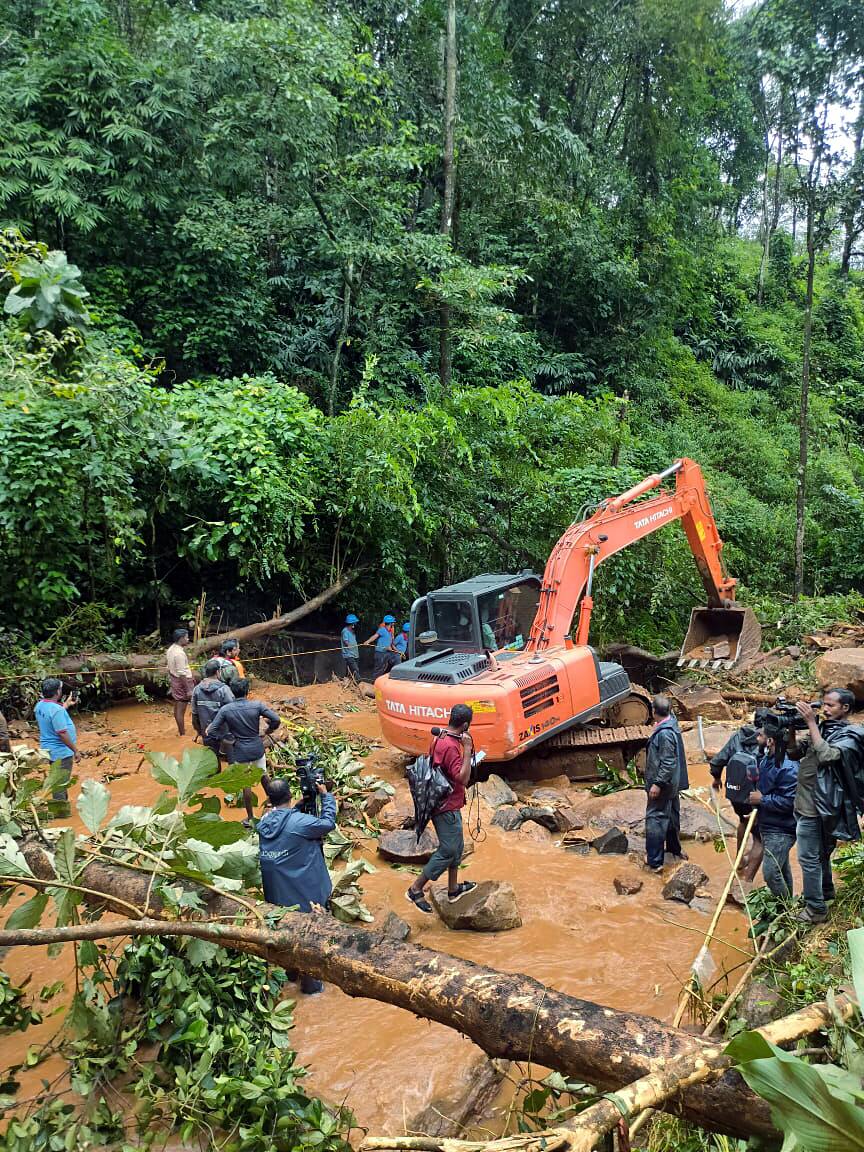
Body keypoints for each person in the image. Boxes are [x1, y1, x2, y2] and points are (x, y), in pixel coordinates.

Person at [258, 775, 337, 994]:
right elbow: (327, 824)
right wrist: (326, 797)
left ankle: (291, 974)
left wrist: (298, 807)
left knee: (288, 932)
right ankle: (311, 988)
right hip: (303, 890)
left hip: (277, 892)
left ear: (269, 799)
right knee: (309, 936)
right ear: (289, 795)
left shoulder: (264, 821)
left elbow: (285, 824)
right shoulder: (299, 823)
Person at [787, 689, 855, 924]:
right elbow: (795, 753)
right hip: (807, 803)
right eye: (823, 705)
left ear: (845, 708)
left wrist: (810, 723)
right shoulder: (825, 728)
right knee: (821, 855)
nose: (824, 710)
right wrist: (791, 727)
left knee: (808, 858)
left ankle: (816, 909)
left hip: (821, 807)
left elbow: (827, 755)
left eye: (830, 706)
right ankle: (825, 893)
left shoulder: (851, 734)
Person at [406, 704, 477, 914]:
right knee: (448, 850)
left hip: (442, 800)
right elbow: (463, 779)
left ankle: (453, 889)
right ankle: (415, 889)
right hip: (446, 806)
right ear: (465, 725)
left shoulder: (440, 737)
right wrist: (467, 750)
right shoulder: (451, 747)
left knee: (457, 846)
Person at [710, 710, 769, 879]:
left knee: (743, 820)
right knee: (760, 837)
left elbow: (718, 760)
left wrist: (716, 778)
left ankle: (739, 860)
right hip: (755, 796)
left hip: (735, 793)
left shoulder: (739, 735)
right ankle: (747, 880)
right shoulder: (767, 740)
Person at [748, 723, 798, 900]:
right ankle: (787, 903)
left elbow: (790, 802)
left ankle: (786, 910)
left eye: (760, 735)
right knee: (782, 868)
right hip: (769, 823)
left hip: (782, 829)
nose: (757, 738)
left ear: (770, 741)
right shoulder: (768, 758)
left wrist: (762, 800)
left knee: (770, 873)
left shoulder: (788, 766)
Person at [644, 695, 688, 873]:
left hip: (665, 784)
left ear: (654, 712)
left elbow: (668, 762)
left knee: (655, 818)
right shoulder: (671, 724)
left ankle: (655, 861)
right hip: (674, 782)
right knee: (671, 816)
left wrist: (657, 784)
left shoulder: (664, 734)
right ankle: (674, 849)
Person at [206, 679, 280, 770]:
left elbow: (212, 730)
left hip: (240, 752)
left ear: (232, 692)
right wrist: (268, 730)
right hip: (257, 749)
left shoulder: (225, 710)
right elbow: (276, 719)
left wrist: (225, 740)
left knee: (242, 781)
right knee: (263, 777)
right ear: (247, 691)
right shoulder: (257, 705)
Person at [34, 678, 78, 800]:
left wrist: (67, 704)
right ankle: (60, 811)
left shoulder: (40, 705)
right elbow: (62, 734)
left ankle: (61, 805)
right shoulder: (56, 710)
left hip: (49, 749)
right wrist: (76, 750)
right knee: (60, 783)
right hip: (61, 752)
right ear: (58, 692)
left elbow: (51, 714)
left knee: (57, 778)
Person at [190, 660, 235, 767]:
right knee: (231, 755)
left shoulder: (197, 690)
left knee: (212, 758)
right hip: (225, 730)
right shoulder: (224, 689)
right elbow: (232, 709)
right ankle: (233, 776)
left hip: (207, 730)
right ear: (218, 672)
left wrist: (199, 730)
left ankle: (214, 778)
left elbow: (194, 713)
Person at [166, 628, 195, 735]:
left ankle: (181, 731)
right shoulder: (179, 654)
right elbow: (182, 673)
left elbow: (169, 668)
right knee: (181, 706)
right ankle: (182, 733)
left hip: (175, 680)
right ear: (181, 638)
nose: (188, 639)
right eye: (187, 637)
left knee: (178, 705)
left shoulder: (171, 649)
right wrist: (188, 689)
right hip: (183, 682)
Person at [341, 614, 361, 681]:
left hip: (355, 654)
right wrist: (350, 645)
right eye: (355, 622)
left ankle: (347, 682)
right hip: (349, 655)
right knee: (355, 669)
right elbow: (346, 642)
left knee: (349, 670)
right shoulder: (345, 631)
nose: (356, 623)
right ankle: (359, 682)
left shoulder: (352, 631)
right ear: (352, 623)